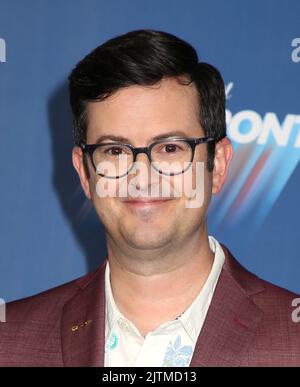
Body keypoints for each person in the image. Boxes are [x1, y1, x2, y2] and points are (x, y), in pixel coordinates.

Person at [0, 29, 299, 367]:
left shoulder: (293, 341)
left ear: (217, 165)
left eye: (170, 148)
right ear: (85, 174)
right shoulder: (9, 343)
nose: (141, 176)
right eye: (114, 150)